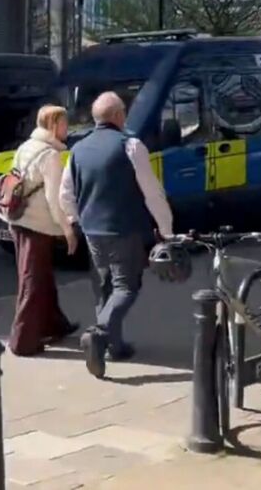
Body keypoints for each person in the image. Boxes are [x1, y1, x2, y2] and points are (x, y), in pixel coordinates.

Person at [60, 92, 173, 379]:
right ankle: (100, 335)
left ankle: (116, 346)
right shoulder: (131, 145)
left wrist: (77, 220)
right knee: (126, 286)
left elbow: (66, 194)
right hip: (125, 228)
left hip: (92, 231)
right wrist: (166, 228)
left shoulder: (78, 149)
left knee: (104, 287)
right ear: (118, 116)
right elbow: (152, 192)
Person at [5, 105, 79, 357]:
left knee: (41, 278)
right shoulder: (50, 155)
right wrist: (67, 230)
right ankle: (22, 342)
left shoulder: (26, 147)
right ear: (53, 125)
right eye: (64, 123)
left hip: (18, 220)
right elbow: (53, 199)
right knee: (33, 282)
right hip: (35, 224)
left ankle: (54, 325)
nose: (67, 128)